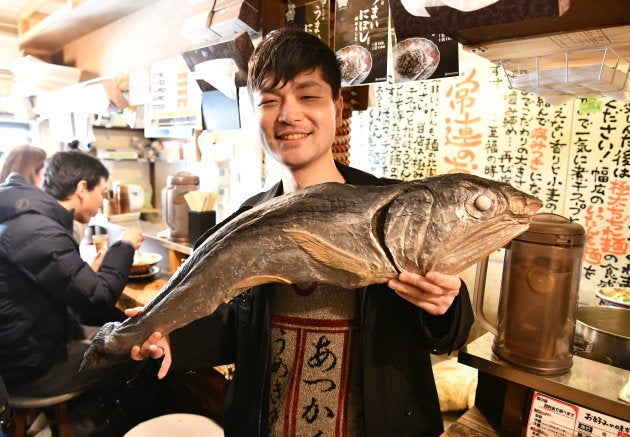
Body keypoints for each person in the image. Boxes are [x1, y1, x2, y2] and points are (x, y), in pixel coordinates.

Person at [129, 29, 474, 436]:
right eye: (270, 101)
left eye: (308, 96)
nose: (288, 115)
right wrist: (172, 337)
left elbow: (450, 332)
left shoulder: (395, 207)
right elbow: (233, 325)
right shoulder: (248, 217)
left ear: (337, 106)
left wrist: (444, 302)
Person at [0, 150, 149, 434]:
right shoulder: (38, 230)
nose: (102, 203)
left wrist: (85, 273)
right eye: (101, 193)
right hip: (33, 368)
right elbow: (98, 299)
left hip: (23, 352)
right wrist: (124, 246)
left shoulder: (24, 218)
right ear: (82, 189)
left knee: (112, 333)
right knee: (136, 350)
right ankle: (90, 426)